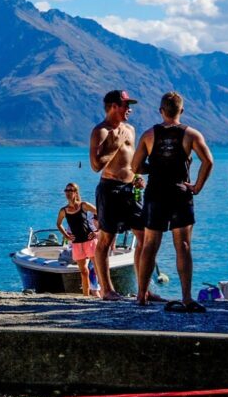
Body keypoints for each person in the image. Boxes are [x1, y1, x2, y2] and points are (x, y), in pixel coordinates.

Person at [131, 91, 214, 312]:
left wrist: (153, 168)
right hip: (180, 193)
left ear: (161, 111)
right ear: (181, 111)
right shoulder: (191, 134)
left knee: (149, 245)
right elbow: (208, 161)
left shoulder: (149, 135)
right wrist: (197, 186)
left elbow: (135, 167)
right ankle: (186, 297)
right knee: (184, 246)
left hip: (155, 194)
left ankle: (141, 295)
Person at [88, 89, 141, 301]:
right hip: (110, 189)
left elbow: (132, 161)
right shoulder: (101, 131)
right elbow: (95, 165)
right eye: (125, 105)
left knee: (145, 238)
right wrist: (114, 145)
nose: (129, 109)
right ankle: (108, 290)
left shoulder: (130, 129)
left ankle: (144, 289)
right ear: (113, 107)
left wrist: (137, 175)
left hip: (131, 190)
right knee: (106, 240)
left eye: (129, 105)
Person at [55, 182, 99, 296]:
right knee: (84, 272)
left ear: (76, 192)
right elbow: (59, 224)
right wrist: (66, 235)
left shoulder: (83, 205)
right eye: (66, 190)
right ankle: (86, 297)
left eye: (71, 190)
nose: (68, 193)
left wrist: (97, 232)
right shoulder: (63, 210)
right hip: (76, 243)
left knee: (98, 269)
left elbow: (101, 214)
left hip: (90, 241)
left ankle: (106, 293)